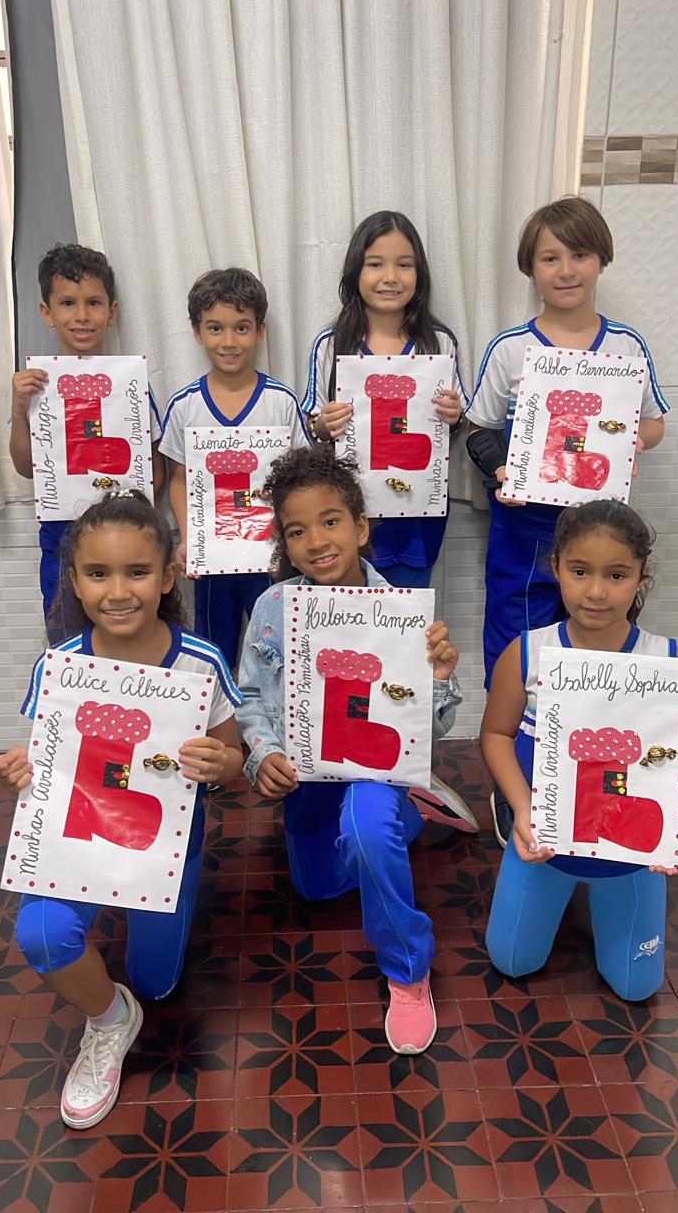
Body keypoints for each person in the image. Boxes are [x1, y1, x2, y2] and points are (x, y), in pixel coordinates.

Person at [0, 491, 243, 1129]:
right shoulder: (60, 666)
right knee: (42, 934)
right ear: (74, 580)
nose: (118, 591)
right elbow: (48, 760)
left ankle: (137, 984)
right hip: (76, 838)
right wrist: (23, 771)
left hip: (163, 848)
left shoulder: (201, 662)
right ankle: (109, 1019)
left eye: (138, 571)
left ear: (168, 576)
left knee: (157, 982)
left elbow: (234, 762)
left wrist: (222, 764)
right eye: (98, 573)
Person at [237, 445, 463, 1055]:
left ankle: (408, 973)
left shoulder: (403, 613)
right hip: (309, 774)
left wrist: (440, 678)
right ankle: (415, 814)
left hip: (375, 768)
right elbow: (250, 695)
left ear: (361, 527)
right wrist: (263, 754)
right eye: (297, 531)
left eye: (331, 521)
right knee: (317, 887)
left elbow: (431, 727)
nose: (316, 541)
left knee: (365, 829)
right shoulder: (273, 608)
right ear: (285, 544)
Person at [465, 195, 669, 845]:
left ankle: (583, 791)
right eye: (550, 257)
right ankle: (516, 792)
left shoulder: (627, 346)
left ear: (600, 259)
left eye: (578, 254)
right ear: (531, 268)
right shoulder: (510, 349)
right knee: (517, 656)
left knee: (598, 653)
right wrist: (501, 467)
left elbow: (655, 423)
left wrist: (628, 437)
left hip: (601, 532)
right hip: (524, 535)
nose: (565, 269)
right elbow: (476, 429)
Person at [481, 499, 678, 1001]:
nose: (596, 592)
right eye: (580, 571)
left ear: (641, 577)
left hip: (630, 857)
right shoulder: (526, 652)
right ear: (555, 568)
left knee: (638, 987)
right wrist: (522, 809)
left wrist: (677, 823)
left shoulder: (667, 660)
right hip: (543, 848)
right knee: (512, 961)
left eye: (616, 575)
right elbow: (496, 735)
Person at [301, 210, 465, 589]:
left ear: (419, 274)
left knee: (406, 608)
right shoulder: (331, 344)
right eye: (375, 264)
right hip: (349, 510)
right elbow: (311, 424)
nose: (390, 277)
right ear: (355, 271)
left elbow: (456, 426)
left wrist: (454, 415)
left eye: (404, 265)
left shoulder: (439, 342)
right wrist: (323, 424)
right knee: (347, 606)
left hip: (417, 514)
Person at [9, 244, 165, 636]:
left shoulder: (133, 386)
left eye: (94, 303)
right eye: (67, 303)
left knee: (134, 638)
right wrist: (19, 409)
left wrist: (130, 502)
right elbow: (25, 467)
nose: (81, 315)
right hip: (61, 543)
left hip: (126, 541)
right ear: (47, 312)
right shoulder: (36, 387)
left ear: (112, 312)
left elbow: (156, 470)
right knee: (68, 642)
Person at [161, 267, 310, 668]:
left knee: (278, 655)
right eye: (216, 328)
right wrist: (190, 538)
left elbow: (302, 481)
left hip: (271, 558)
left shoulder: (281, 402)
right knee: (216, 654)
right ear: (197, 332)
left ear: (259, 331)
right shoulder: (185, 406)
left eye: (241, 328)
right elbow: (178, 480)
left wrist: (293, 537)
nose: (229, 341)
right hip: (214, 563)